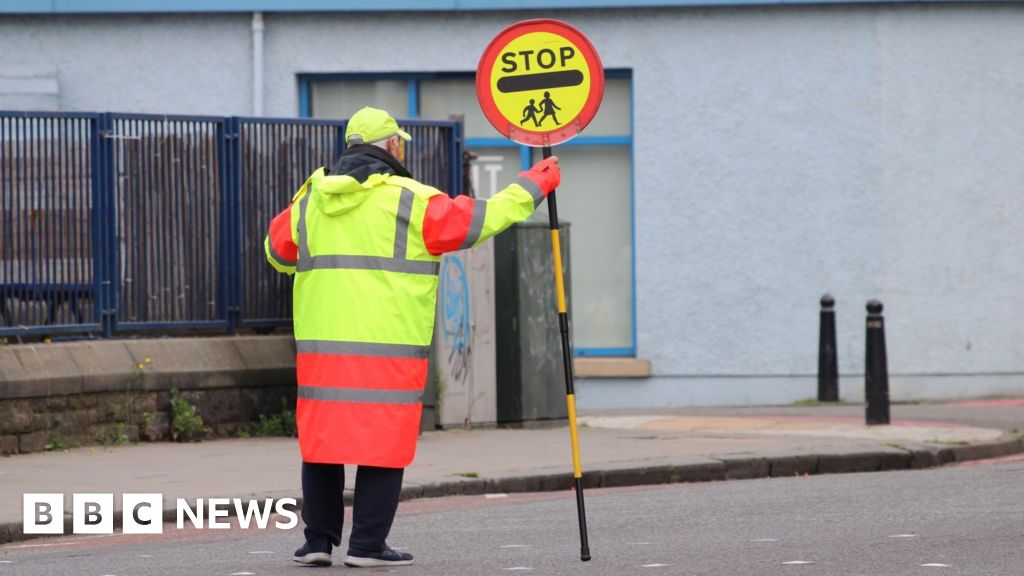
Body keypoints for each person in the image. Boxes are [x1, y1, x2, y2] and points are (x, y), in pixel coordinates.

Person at [264, 106, 561, 568]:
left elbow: (277, 252)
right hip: (388, 352)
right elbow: (480, 220)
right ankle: (366, 547)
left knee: (323, 446)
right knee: (382, 448)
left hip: (323, 354)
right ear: (393, 147)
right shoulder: (411, 201)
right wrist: (535, 185)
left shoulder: (310, 199)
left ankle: (318, 543)